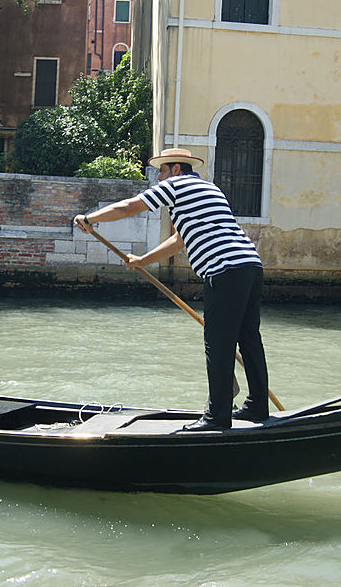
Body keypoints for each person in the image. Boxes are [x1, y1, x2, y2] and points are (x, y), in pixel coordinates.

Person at [73, 148, 270, 431]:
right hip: (250, 266)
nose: (159, 179)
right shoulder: (209, 189)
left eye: (161, 172)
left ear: (176, 169)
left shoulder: (175, 186)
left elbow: (129, 207)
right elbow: (179, 240)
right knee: (249, 338)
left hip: (224, 270)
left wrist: (90, 219)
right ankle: (257, 406)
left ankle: (217, 417)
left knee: (219, 343)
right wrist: (143, 261)